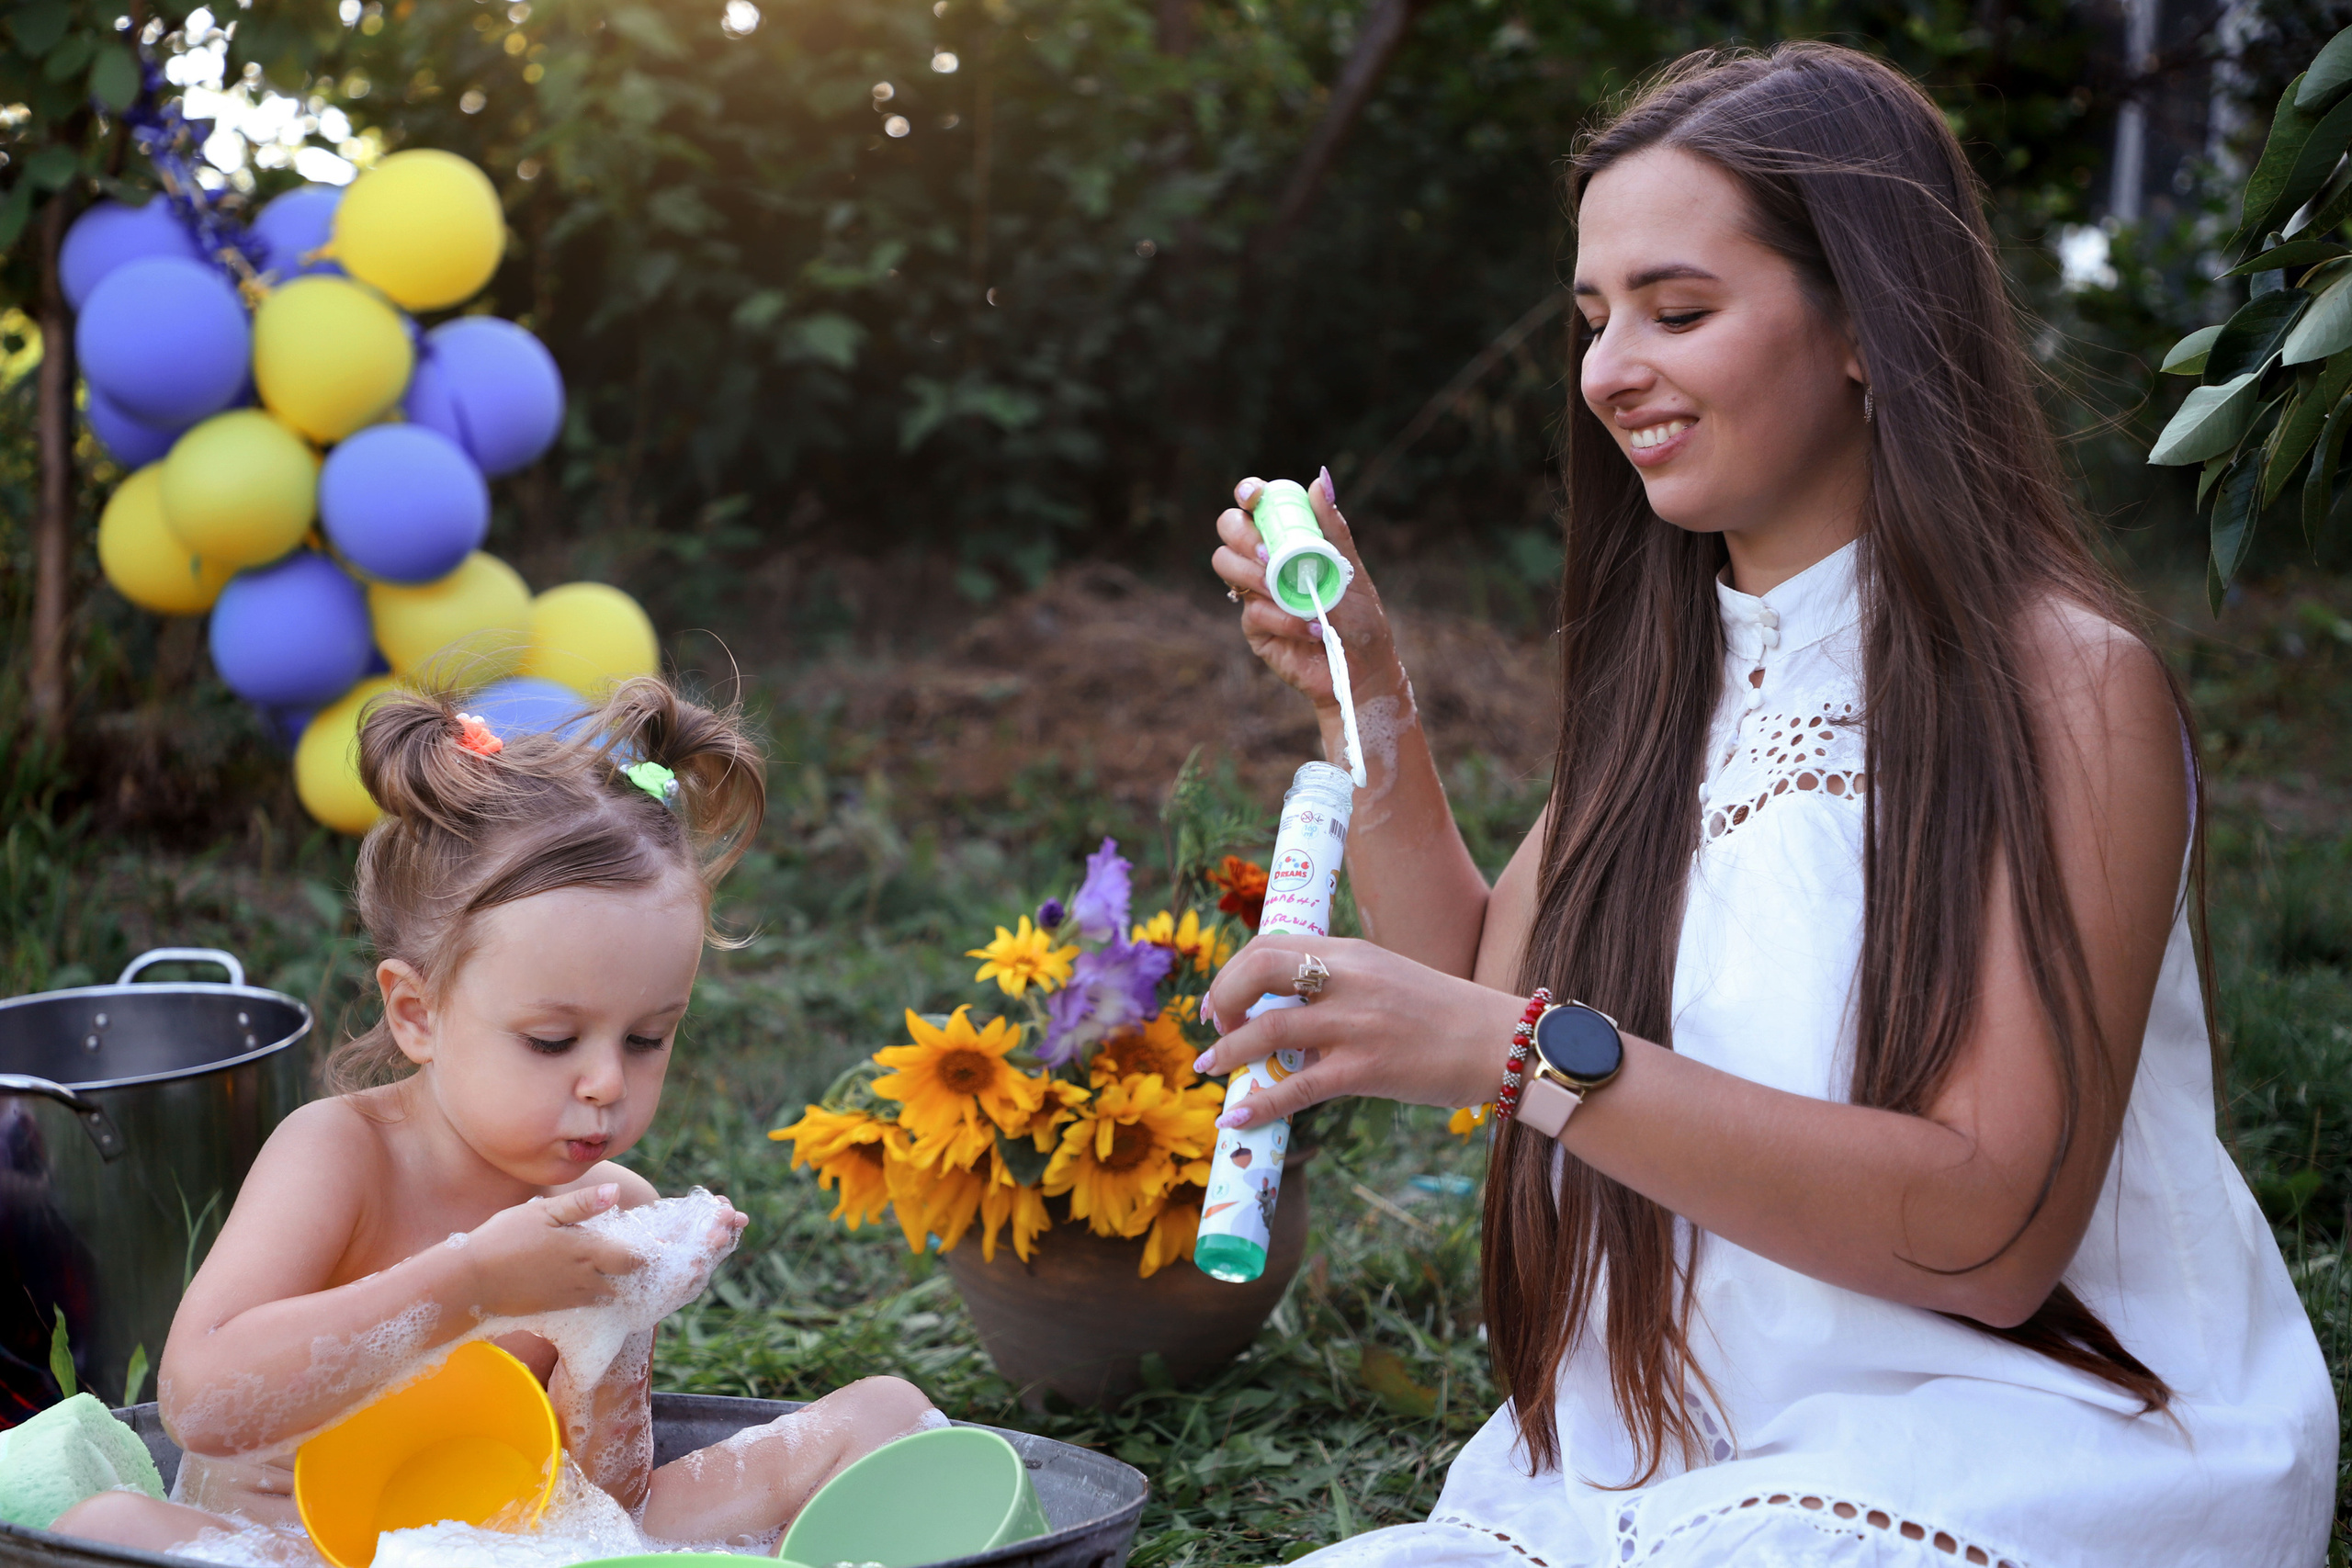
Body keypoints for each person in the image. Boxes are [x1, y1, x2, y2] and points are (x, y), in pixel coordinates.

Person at [1201, 42, 2336, 1568]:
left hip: (2022, 1443)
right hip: (1687, 1452)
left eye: (1678, 310)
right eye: (1594, 319)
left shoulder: (2064, 685)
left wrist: (1515, 1049)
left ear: (1868, 321)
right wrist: (1372, 703)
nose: (1607, 370)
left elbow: (1993, 1237)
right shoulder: (1672, 681)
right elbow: (1487, 995)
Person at [51, 679, 936, 1556]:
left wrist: (624, 1317)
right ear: (418, 1014)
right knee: (101, 1530)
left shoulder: (610, 1208)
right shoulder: (343, 1155)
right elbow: (201, 1403)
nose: (604, 1082)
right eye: (552, 1040)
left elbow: (608, 1501)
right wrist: (475, 1281)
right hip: (289, 1546)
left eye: (647, 1037)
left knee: (889, 1414)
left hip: (509, 1539)